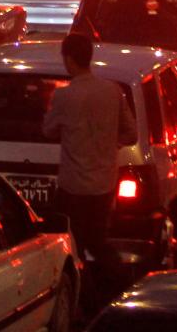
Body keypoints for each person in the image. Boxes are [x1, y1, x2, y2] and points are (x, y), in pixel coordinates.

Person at [42, 33, 136, 306]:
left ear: (69, 59)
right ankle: (114, 285)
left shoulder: (64, 96)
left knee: (72, 242)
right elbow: (130, 134)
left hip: (72, 185)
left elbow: (48, 129)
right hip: (103, 184)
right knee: (97, 239)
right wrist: (110, 144)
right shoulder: (112, 92)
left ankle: (86, 295)